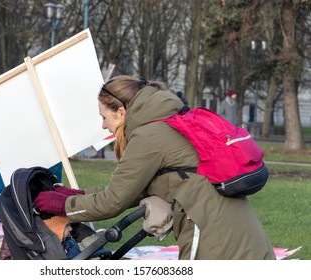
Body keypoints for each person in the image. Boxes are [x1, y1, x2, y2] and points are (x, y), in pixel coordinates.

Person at [35, 75, 276, 260]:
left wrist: (61, 205)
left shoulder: (149, 136)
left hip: (212, 233)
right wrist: (75, 195)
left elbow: (113, 202)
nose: (103, 126)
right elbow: (130, 191)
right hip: (236, 226)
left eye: (104, 117)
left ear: (121, 112)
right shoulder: (165, 121)